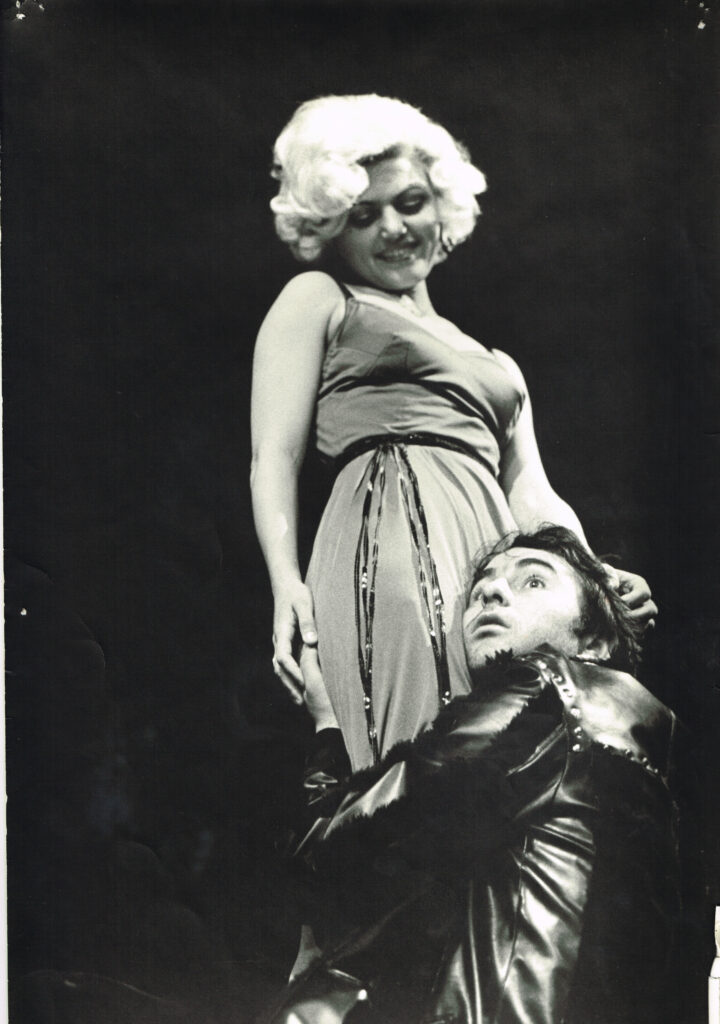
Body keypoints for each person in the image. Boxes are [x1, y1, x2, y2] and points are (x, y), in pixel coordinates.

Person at [250, 94, 656, 770]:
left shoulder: (498, 363)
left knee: (507, 755)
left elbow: (534, 495)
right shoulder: (322, 299)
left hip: (493, 561)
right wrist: (285, 583)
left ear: (442, 204)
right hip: (388, 539)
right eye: (364, 215)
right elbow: (274, 453)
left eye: (409, 203)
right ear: (332, 228)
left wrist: (596, 576)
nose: (393, 228)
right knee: (413, 757)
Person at [265, 526, 680, 1024]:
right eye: (482, 583)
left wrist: (327, 728)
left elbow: (328, 849)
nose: (491, 590)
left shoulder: (547, 690)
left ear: (595, 639)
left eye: (533, 581)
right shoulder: (634, 742)